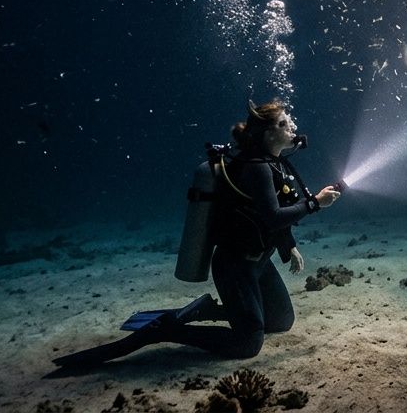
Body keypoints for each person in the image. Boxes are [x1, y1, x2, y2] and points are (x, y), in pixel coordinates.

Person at [51, 100, 340, 370]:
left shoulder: (276, 164)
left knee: (281, 320)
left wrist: (288, 246)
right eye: (282, 124)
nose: (291, 127)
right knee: (248, 343)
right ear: (265, 134)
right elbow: (271, 216)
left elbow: (269, 214)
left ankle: (208, 310)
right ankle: (167, 329)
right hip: (236, 266)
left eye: (290, 121)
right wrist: (315, 203)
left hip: (259, 262)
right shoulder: (258, 168)